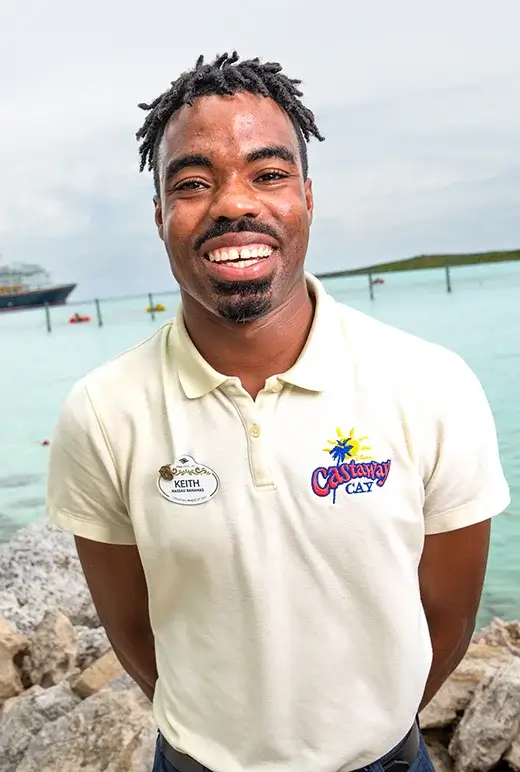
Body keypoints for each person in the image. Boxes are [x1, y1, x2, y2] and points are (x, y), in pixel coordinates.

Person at [46, 52, 510, 772]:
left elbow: (447, 622)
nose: (235, 203)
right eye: (194, 183)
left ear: (307, 198)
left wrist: (365, 732)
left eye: (268, 174)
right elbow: (134, 632)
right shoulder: (104, 413)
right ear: (160, 216)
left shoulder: (430, 384)